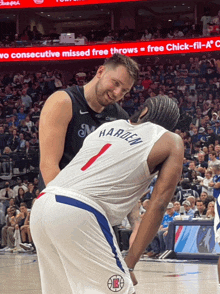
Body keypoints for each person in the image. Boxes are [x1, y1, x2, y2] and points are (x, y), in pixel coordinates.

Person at [30, 96, 184, 294]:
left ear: (144, 111)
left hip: (44, 203)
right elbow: (159, 203)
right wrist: (129, 263)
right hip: (79, 208)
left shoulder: (105, 128)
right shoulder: (171, 140)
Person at [38, 54, 139, 245]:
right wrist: (69, 213)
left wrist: (137, 224)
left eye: (124, 91)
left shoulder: (120, 117)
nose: (117, 93)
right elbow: (49, 165)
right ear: (101, 71)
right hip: (62, 208)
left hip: (97, 213)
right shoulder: (63, 102)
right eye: (115, 83)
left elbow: (124, 174)